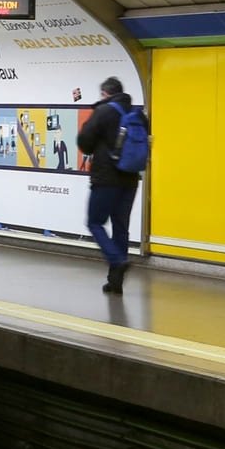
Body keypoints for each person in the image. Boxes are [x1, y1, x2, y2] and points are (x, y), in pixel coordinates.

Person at [76, 76, 144, 296]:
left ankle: (117, 259)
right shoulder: (138, 115)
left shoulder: (104, 111)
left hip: (106, 179)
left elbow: (84, 143)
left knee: (95, 222)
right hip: (130, 179)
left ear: (105, 93)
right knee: (120, 227)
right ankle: (115, 283)